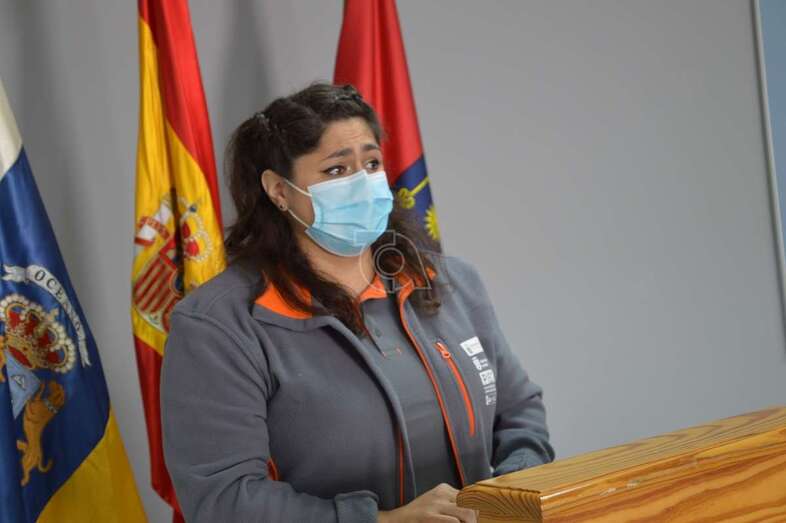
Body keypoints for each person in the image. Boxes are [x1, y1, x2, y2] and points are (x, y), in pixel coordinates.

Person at [160, 82, 555, 523]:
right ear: (278, 190)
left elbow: (519, 412)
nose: (363, 183)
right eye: (335, 170)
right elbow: (223, 500)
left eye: (371, 163)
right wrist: (381, 522)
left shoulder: (450, 282)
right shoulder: (219, 325)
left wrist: (511, 496)